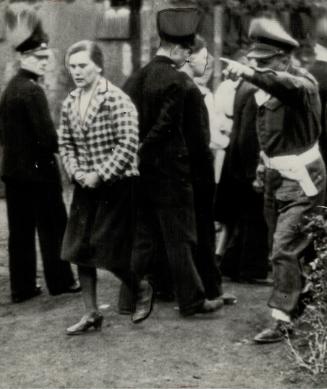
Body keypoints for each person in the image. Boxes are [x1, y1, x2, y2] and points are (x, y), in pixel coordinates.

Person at [221, 17, 326, 343]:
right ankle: (306, 295)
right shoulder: (262, 91)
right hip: (275, 178)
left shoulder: (302, 85)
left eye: (264, 62)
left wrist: (253, 74)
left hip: (303, 180)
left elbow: (286, 86)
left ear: (284, 60)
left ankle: (281, 319)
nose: (255, 67)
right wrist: (262, 168)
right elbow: (267, 135)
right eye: (253, 61)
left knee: (284, 247)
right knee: (282, 247)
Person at [123, 8, 224, 322]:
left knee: (143, 238)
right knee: (178, 238)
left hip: (141, 175)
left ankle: (128, 299)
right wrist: (145, 148)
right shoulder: (177, 81)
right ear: (177, 48)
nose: (187, 57)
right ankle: (192, 301)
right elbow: (167, 125)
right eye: (187, 51)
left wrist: (134, 154)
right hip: (170, 175)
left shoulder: (135, 78)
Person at [58, 40, 140, 334]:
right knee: (79, 248)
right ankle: (92, 313)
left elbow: (128, 143)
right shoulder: (70, 102)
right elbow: (65, 143)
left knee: (105, 247)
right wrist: (76, 171)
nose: (77, 72)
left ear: (98, 66)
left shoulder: (115, 98)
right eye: (73, 66)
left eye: (83, 65)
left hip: (116, 184)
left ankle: (140, 286)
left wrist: (100, 174)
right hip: (85, 184)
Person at [0, 11, 80, 303]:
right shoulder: (32, 92)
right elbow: (47, 138)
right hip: (39, 173)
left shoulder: (10, 89)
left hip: (13, 172)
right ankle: (61, 281)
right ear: (25, 58)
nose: (45, 63)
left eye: (45, 58)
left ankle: (21, 288)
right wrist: (69, 146)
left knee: (20, 232)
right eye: (40, 59)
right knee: (53, 227)